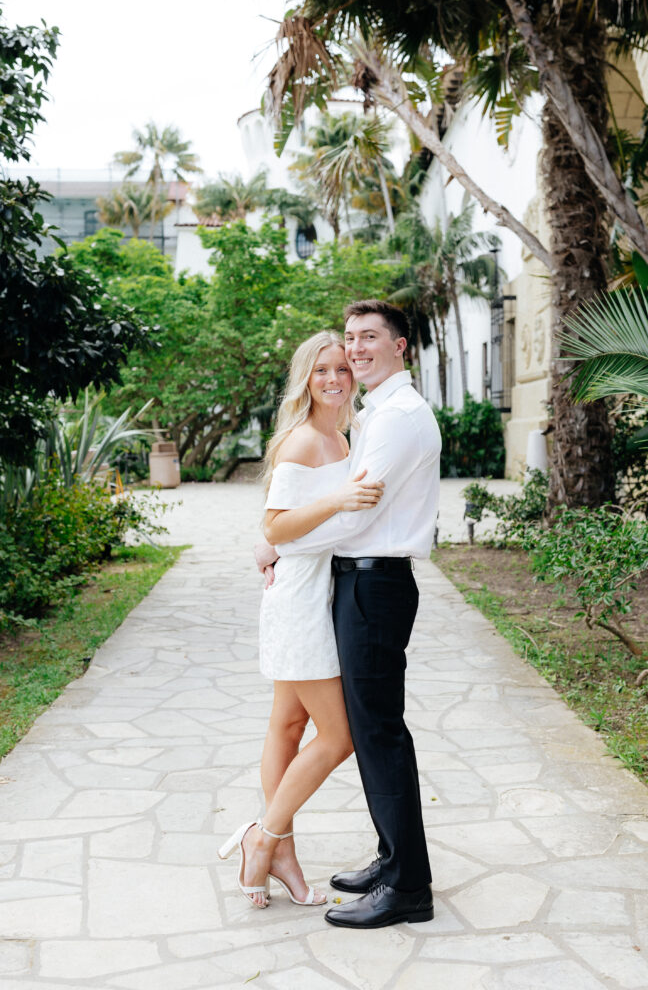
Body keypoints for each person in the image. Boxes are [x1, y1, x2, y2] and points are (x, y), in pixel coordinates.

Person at [257, 300, 441, 930]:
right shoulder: (373, 415)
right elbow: (335, 505)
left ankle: (408, 885)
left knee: (375, 733)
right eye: (350, 339)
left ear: (401, 347)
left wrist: (277, 543)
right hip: (355, 584)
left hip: (374, 585)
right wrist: (281, 540)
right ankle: (394, 861)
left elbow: (356, 517)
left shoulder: (395, 419)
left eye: (369, 339)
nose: (356, 350)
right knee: (355, 729)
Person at [218, 330, 384, 909]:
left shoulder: (346, 434)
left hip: (321, 590)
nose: (335, 379)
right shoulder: (300, 442)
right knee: (338, 737)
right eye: (322, 372)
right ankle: (262, 837)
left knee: (287, 726)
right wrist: (334, 504)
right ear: (305, 380)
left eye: (343, 368)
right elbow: (276, 526)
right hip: (300, 599)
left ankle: (279, 847)